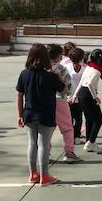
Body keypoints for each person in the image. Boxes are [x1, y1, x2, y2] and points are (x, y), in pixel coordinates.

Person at [16, 44, 64, 186]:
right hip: (46, 114)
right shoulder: (51, 76)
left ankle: (33, 174)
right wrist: (59, 78)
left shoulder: (24, 74)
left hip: (29, 112)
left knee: (32, 143)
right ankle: (45, 176)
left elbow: (19, 95)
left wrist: (19, 114)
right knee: (43, 144)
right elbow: (64, 90)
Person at [48, 44, 81, 164]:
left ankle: (45, 153)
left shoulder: (42, 68)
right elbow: (69, 86)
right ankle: (69, 152)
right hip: (60, 99)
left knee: (48, 129)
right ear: (58, 55)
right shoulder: (61, 68)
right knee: (67, 128)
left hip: (46, 102)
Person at [71, 48, 102, 154]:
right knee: (98, 119)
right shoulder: (96, 71)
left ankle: (89, 141)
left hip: (82, 94)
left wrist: (75, 95)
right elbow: (89, 84)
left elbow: (82, 81)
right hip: (88, 94)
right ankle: (91, 142)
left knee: (89, 119)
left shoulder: (88, 68)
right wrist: (95, 97)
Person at [63, 47, 86, 144]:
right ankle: (75, 137)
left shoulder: (65, 67)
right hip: (78, 98)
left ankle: (71, 137)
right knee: (77, 119)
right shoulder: (85, 68)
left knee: (71, 120)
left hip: (69, 97)